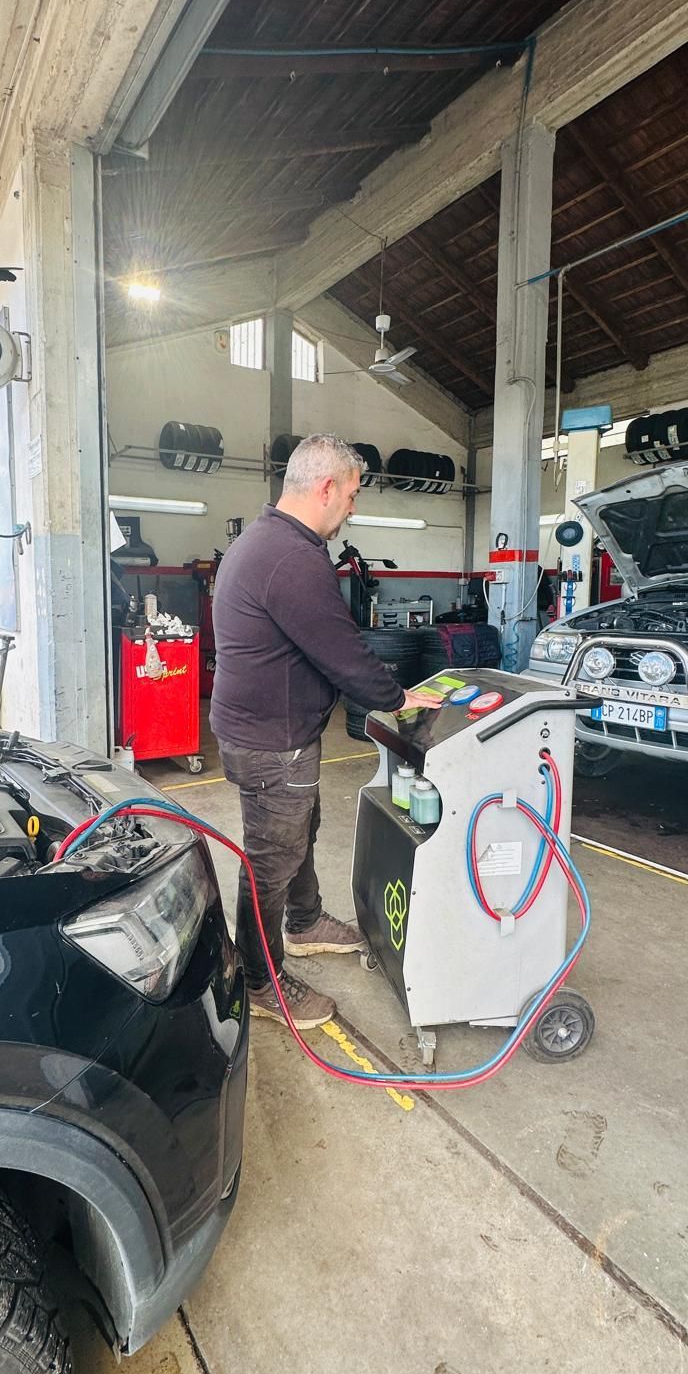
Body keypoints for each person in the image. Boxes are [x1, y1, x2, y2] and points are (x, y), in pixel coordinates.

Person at [211, 434, 443, 1030]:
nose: (353, 508)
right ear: (326, 488)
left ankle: (306, 922)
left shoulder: (261, 542)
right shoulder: (291, 558)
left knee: (299, 832)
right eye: (353, 493)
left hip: (263, 728)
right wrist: (398, 700)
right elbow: (340, 651)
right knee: (271, 858)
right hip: (272, 741)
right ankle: (261, 980)